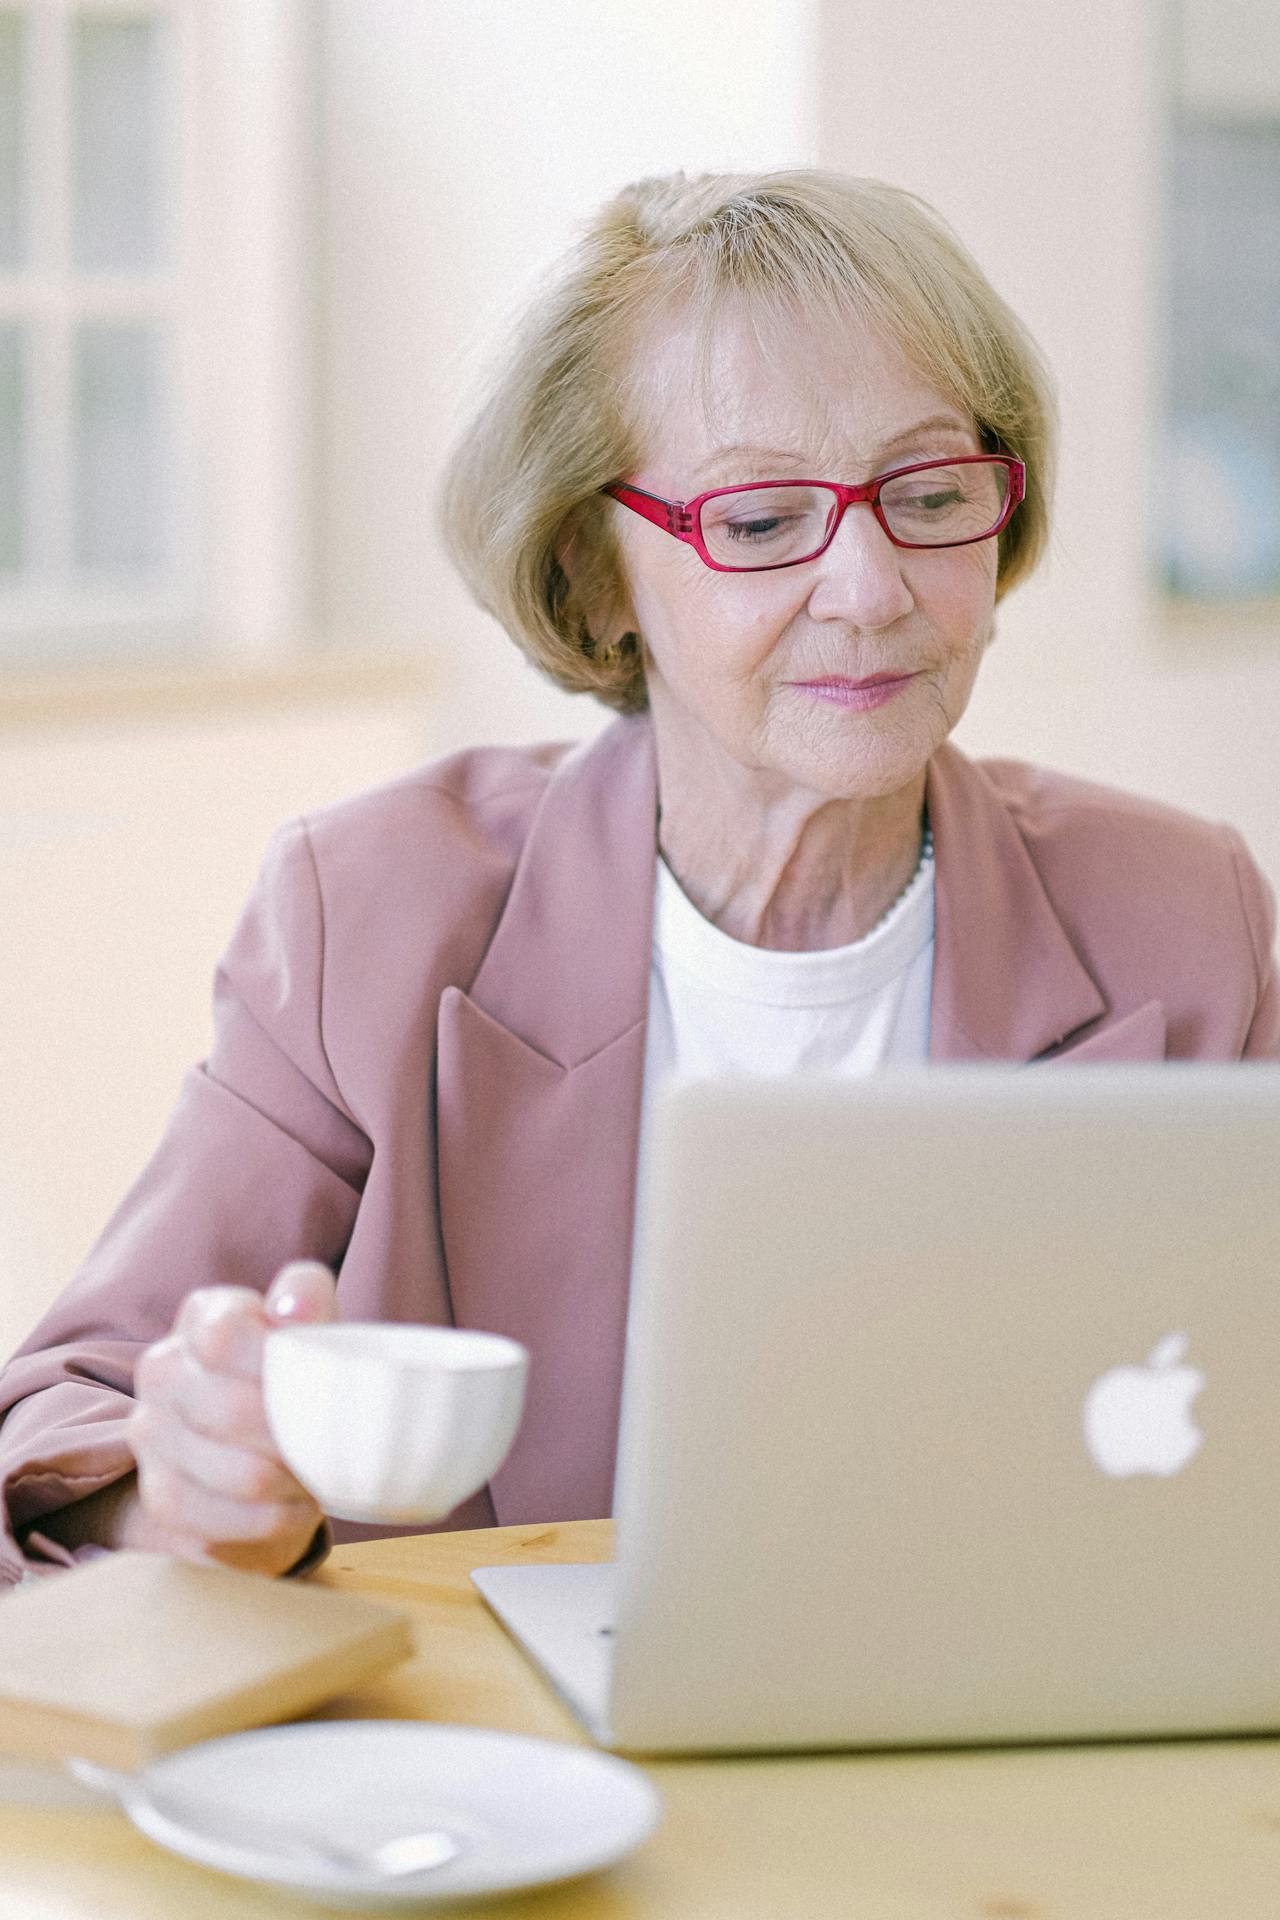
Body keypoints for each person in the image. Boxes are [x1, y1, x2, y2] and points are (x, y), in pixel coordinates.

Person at [1, 169, 1276, 1587]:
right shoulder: (374, 909)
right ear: (595, 573)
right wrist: (176, 1490)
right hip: (501, 1781)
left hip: (1016, 1769)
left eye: (928, 494)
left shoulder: (1182, 918)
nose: (870, 588)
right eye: (758, 521)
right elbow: (60, 1425)